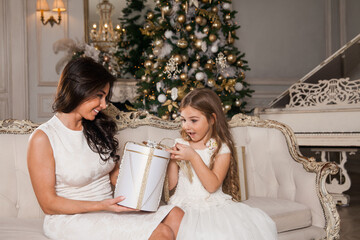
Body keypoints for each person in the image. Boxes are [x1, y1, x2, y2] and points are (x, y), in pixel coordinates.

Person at [27, 57, 183, 240]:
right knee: (161, 233)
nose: (104, 105)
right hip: (70, 219)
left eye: (105, 97)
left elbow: (115, 176)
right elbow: (48, 204)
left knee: (176, 214)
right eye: (99, 96)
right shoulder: (44, 138)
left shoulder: (95, 127)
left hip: (108, 209)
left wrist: (152, 161)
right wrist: (102, 206)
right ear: (79, 89)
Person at [167, 88, 278, 239]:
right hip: (181, 206)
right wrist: (172, 161)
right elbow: (170, 185)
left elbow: (212, 186)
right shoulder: (181, 143)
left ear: (212, 119)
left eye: (193, 120)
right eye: (183, 120)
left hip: (212, 206)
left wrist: (193, 157)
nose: (186, 126)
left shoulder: (221, 148)